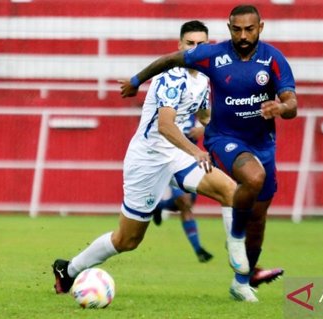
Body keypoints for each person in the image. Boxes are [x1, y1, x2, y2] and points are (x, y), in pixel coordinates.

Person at [53, 20, 253, 300]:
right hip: (147, 160)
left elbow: (206, 117)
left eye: (202, 44)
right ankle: (70, 269)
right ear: (179, 46)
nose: (196, 49)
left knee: (230, 191)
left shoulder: (205, 80)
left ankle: (240, 272)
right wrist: (196, 150)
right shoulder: (170, 77)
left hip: (177, 155)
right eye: (190, 44)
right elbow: (166, 126)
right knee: (128, 240)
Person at [120, 5, 297, 302]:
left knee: (258, 214)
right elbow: (168, 61)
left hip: (262, 144)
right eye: (237, 29)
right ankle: (234, 243)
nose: (243, 35)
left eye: (249, 29)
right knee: (249, 180)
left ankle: (244, 277)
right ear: (228, 28)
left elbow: (292, 103)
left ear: (260, 27)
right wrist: (136, 82)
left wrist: (280, 107)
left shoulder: (273, 59)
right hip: (220, 141)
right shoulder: (213, 55)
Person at [152, 113, 214, 263]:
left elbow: (214, 123)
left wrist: (203, 130)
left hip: (189, 160)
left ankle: (159, 206)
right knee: (184, 201)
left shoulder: (196, 101)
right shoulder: (167, 103)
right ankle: (199, 249)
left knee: (185, 206)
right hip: (168, 159)